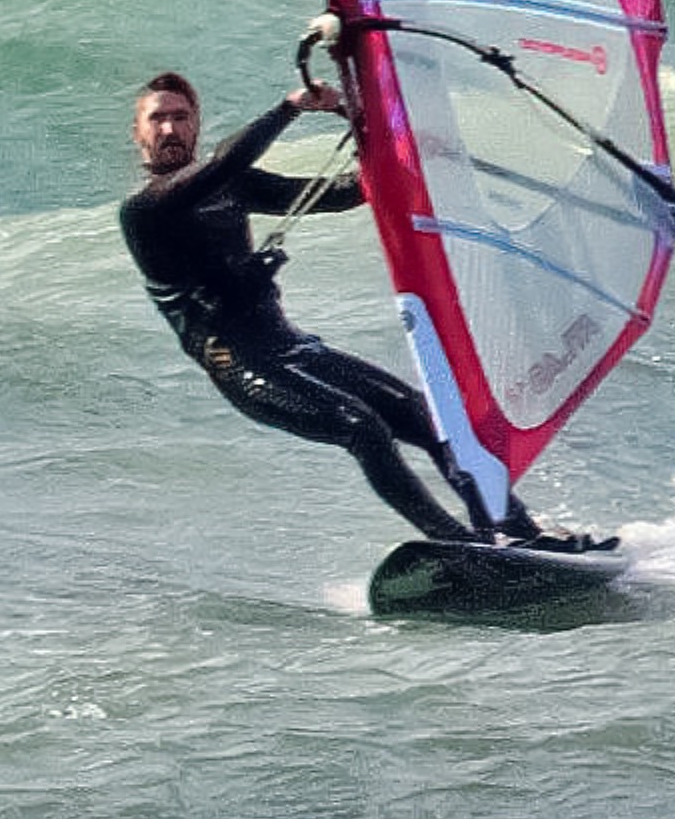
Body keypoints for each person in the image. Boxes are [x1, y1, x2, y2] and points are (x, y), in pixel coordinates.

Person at [119, 66, 566, 548]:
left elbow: (337, 194)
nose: (169, 129)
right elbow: (221, 168)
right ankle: (460, 547)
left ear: (196, 124)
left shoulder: (233, 186)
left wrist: (392, 148)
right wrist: (290, 108)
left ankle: (517, 532)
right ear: (139, 133)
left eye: (180, 117)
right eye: (157, 119)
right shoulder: (146, 212)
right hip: (243, 366)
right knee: (363, 428)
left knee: (427, 417)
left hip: (292, 347)